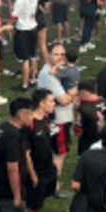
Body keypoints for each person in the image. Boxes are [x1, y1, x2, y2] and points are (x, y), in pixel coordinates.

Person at [37, 43, 78, 194]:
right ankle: (53, 187)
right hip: (58, 119)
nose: (60, 58)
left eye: (62, 54)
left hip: (56, 118)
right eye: (56, 54)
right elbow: (63, 99)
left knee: (54, 153)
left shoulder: (56, 71)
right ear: (48, 55)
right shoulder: (50, 74)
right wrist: (76, 91)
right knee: (59, 154)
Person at [22, 89, 58, 212]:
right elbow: (26, 153)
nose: (53, 104)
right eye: (51, 101)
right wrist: (33, 175)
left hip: (47, 170)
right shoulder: (29, 123)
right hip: (35, 174)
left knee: (39, 206)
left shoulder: (47, 119)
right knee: (30, 210)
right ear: (41, 103)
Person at [12, 0, 39, 91]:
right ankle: (33, 79)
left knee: (25, 59)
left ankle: (24, 84)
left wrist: (7, 26)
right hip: (33, 28)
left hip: (22, 30)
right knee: (33, 56)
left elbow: (14, 17)